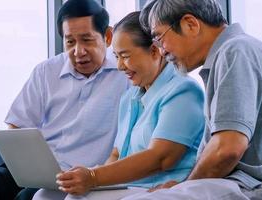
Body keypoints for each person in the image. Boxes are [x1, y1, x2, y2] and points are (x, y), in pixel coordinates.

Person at [0, 0, 130, 200]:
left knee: (29, 196)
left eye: (87, 40)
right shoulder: (46, 71)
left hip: (83, 175)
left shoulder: (125, 73)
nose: (78, 51)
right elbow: (17, 124)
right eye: (70, 41)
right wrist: (28, 167)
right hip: (37, 170)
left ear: (107, 36)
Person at [33, 11, 205, 200]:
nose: (120, 66)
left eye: (125, 56)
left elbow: (161, 158)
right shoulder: (130, 96)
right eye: (116, 57)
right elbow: (116, 154)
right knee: (44, 196)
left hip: (160, 188)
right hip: (130, 186)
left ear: (155, 51)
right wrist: (85, 179)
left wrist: (93, 177)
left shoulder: (183, 90)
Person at [121, 0, 262, 199]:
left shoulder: (236, 51)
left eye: (160, 38)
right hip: (238, 184)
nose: (162, 51)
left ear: (190, 24)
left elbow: (226, 149)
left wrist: (184, 187)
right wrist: (182, 186)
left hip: (256, 187)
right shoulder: (230, 54)